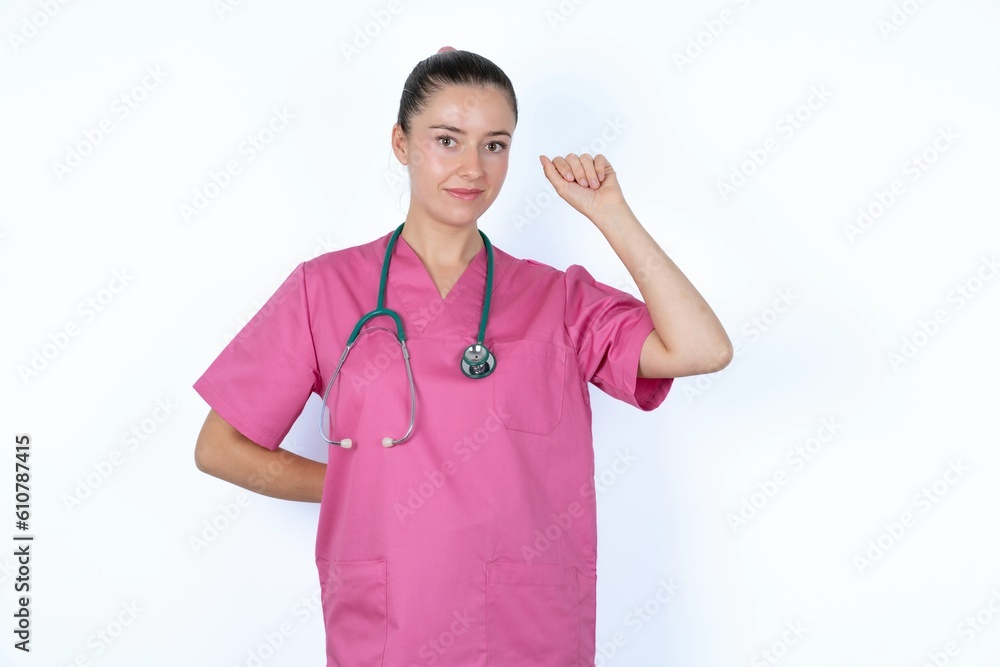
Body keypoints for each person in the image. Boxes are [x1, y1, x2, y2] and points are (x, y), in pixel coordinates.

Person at [193, 46, 732, 666]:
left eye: (494, 145)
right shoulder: (326, 289)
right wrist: (362, 486)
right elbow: (220, 447)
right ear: (401, 143)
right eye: (447, 140)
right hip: (391, 624)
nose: (472, 168)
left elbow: (702, 348)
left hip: (527, 625)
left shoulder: (557, 298)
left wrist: (612, 216)